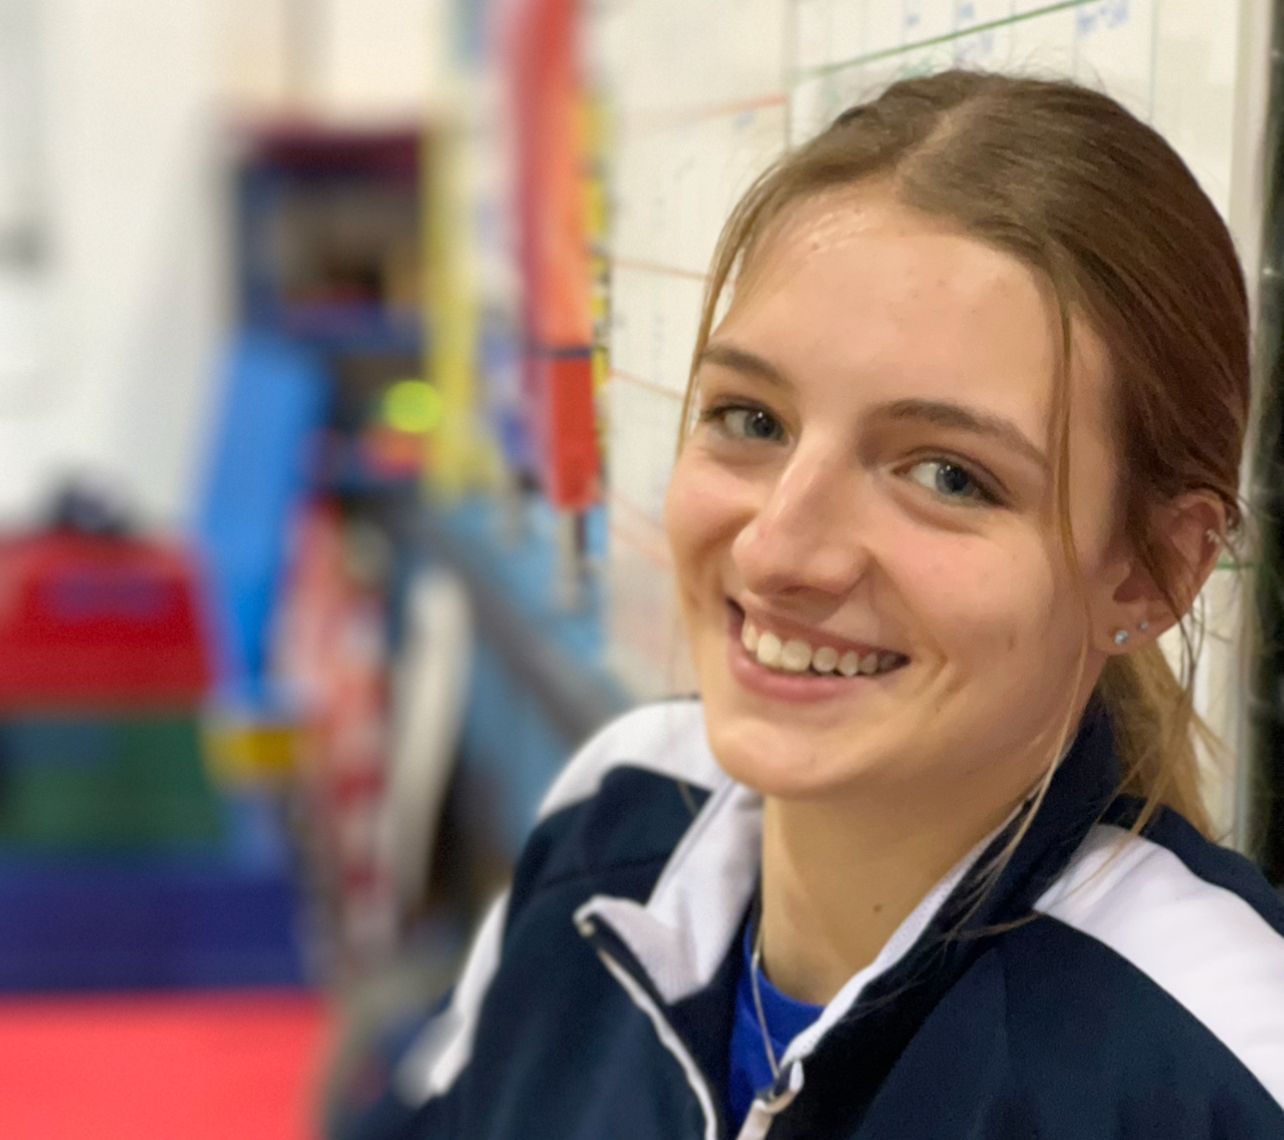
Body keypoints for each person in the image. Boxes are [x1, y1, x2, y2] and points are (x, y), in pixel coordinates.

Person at [346, 70, 1284, 1138]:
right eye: (751, 417)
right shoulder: (622, 808)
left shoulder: (1224, 1067)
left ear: (1151, 572)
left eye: (948, 476)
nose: (780, 545)